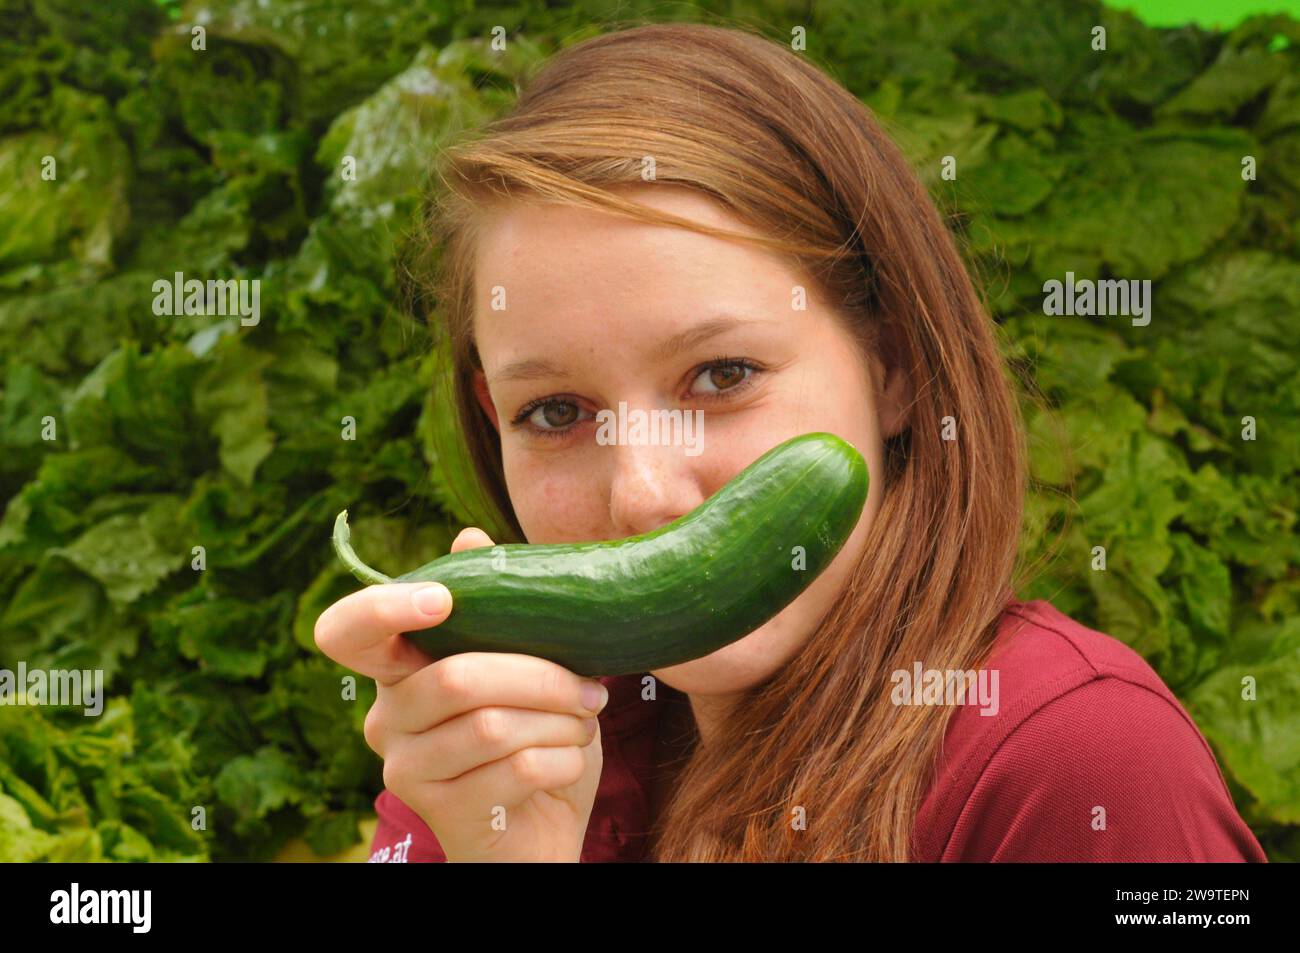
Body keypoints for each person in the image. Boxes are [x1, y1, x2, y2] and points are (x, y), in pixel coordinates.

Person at [313, 22, 1266, 863]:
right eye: (557, 412)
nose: (643, 494)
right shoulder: (495, 740)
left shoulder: (1074, 756)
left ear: (893, 366)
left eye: (723, 376)